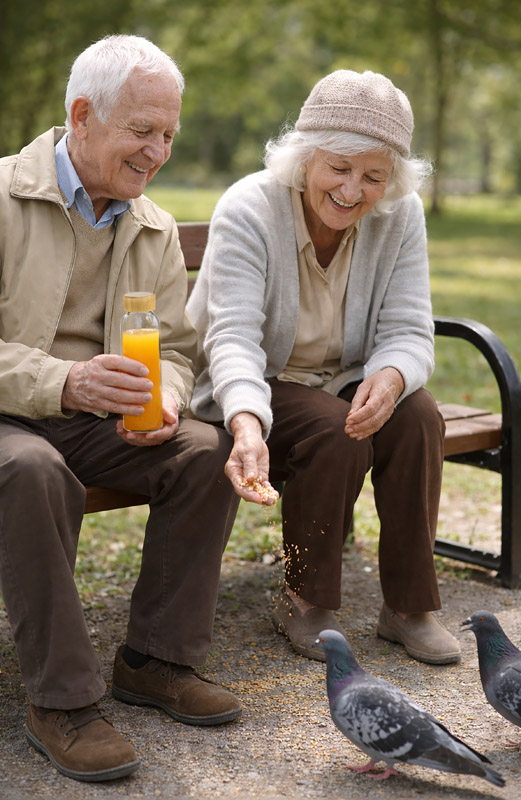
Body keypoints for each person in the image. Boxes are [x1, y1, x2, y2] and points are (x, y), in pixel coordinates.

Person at [0, 34, 246, 783]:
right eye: (142, 131)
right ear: (82, 115)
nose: (158, 151)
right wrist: (64, 383)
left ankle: (156, 660)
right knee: (32, 469)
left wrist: (166, 397)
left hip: (100, 420)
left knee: (204, 454)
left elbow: (173, 349)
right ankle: (62, 701)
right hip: (12, 416)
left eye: (168, 134)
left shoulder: (155, 227)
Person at [187, 69, 462, 667]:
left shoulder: (401, 215)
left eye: (373, 176)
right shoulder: (250, 206)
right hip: (252, 384)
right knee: (332, 428)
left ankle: (410, 607)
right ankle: (302, 599)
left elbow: (409, 328)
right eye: (338, 166)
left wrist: (390, 378)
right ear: (305, 156)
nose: (352, 189)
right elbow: (229, 337)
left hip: (342, 380)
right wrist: (246, 422)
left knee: (417, 415)